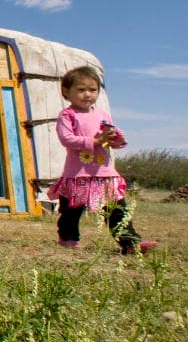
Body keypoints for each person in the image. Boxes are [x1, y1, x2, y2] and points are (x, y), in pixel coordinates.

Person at [47, 66, 156, 255]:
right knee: (71, 211)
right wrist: (94, 141)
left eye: (93, 90)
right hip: (78, 173)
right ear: (66, 91)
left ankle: (130, 243)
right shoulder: (68, 115)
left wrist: (114, 136)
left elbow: (114, 140)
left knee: (117, 210)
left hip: (104, 172)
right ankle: (68, 239)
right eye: (81, 90)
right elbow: (66, 139)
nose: (87, 94)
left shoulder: (102, 114)